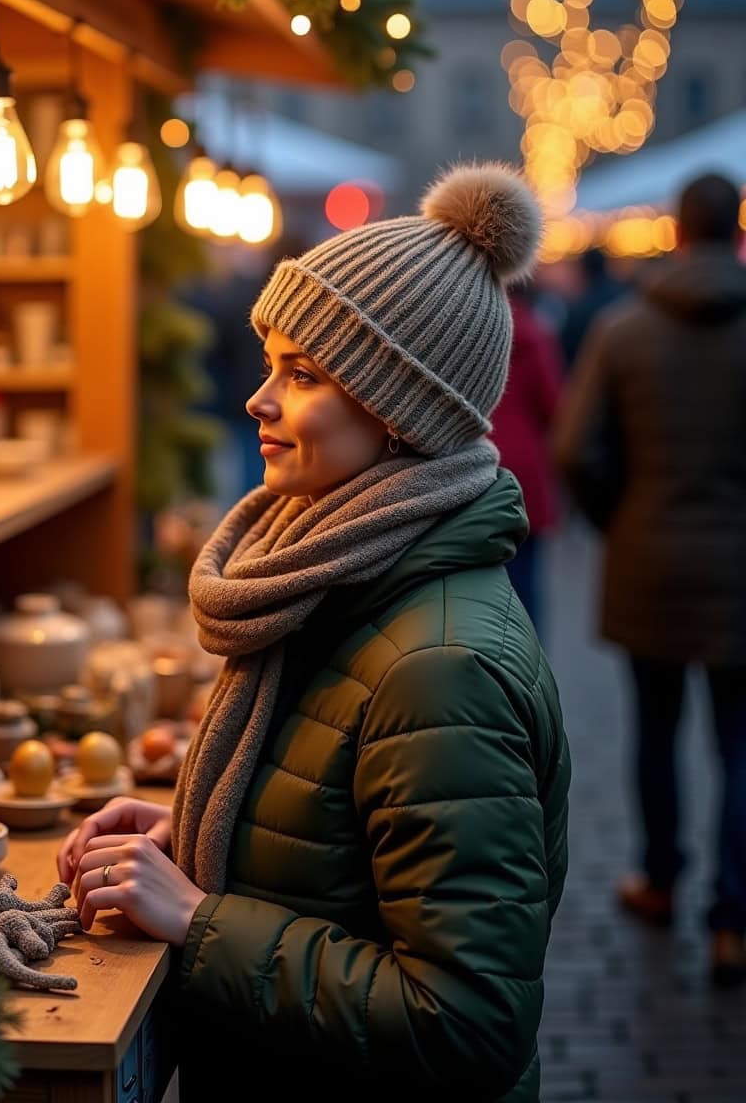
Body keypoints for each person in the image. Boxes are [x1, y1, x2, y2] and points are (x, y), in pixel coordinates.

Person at [59, 163, 571, 1101]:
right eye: (270, 365)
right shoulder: (342, 579)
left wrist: (200, 916)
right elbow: (355, 861)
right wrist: (208, 835)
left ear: (397, 416)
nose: (259, 399)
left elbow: (467, 1021)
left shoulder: (440, 666)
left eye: (302, 374)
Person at [555, 172, 746, 988]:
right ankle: (734, 917)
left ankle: (661, 879)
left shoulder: (624, 331)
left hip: (649, 560)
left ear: (674, 229)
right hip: (741, 566)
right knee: (740, 744)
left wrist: (619, 518)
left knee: (655, 729)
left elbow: (574, 451)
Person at [491, 282, 564, 635]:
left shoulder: (469, 331)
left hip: (478, 463)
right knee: (526, 581)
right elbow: (554, 407)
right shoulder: (537, 334)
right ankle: (528, 666)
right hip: (525, 474)